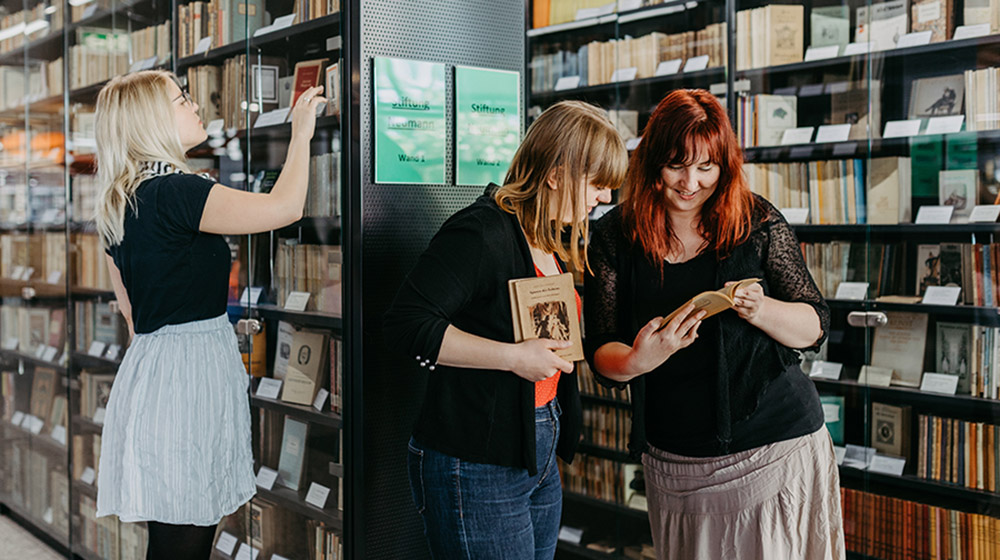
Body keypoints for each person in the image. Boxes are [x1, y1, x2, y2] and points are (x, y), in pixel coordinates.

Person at [585, 89, 845, 560]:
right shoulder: (613, 235)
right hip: (675, 457)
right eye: (676, 165)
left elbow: (814, 324)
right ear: (649, 164)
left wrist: (761, 310)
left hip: (774, 446)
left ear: (725, 166)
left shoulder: (756, 220)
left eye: (707, 167)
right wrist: (641, 358)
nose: (691, 182)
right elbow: (601, 352)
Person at [92, 70, 326, 559]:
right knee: (188, 535)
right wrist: (301, 131)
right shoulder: (178, 191)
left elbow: (132, 313)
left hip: (155, 371)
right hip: (190, 375)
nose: (194, 106)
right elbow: (284, 208)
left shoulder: (120, 201)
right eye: (182, 100)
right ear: (153, 119)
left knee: (174, 532)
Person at [384, 100, 627, 560]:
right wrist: (514, 357)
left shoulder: (548, 236)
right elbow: (406, 325)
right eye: (596, 184)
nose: (605, 199)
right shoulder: (480, 232)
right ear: (556, 173)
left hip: (536, 450)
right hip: (476, 459)